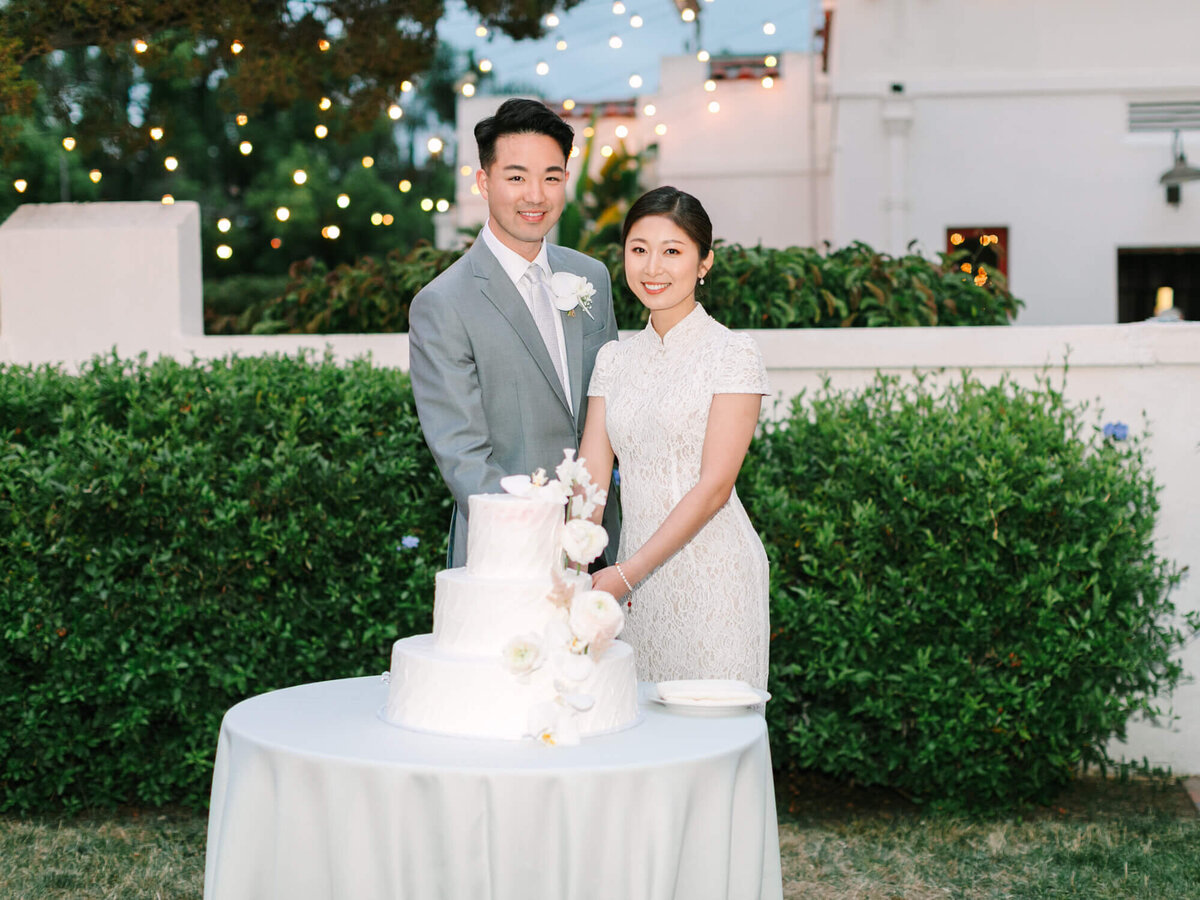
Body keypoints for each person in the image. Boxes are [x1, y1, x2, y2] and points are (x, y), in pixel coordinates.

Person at [409, 98, 620, 568]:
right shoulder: (443, 304)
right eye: (517, 177)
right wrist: (541, 541)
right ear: (484, 182)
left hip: (601, 544)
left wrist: (590, 533)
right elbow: (463, 456)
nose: (536, 196)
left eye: (551, 177)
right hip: (505, 553)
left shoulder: (592, 278)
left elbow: (610, 412)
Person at [579, 186, 771, 690]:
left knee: (710, 738)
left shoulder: (733, 354)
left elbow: (714, 488)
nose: (652, 268)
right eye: (639, 249)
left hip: (715, 577)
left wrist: (626, 573)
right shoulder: (613, 360)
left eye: (672, 251)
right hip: (632, 584)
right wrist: (571, 562)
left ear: (704, 262)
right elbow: (591, 478)